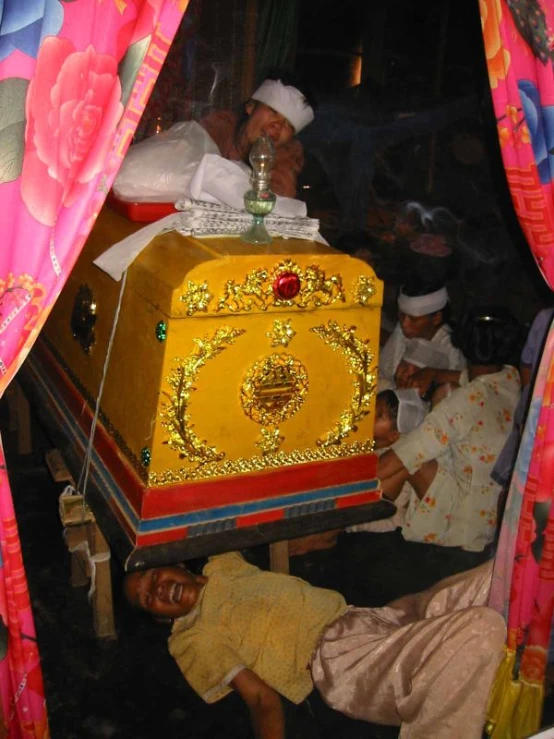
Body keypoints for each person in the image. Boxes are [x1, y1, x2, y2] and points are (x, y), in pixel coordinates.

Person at [124, 551, 505, 739]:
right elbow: (260, 700)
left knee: (506, 566)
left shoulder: (221, 565)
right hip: (339, 664)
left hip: (373, 620)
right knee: (480, 629)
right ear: (160, 617)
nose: (157, 588)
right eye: (147, 598)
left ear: (175, 565)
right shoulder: (192, 637)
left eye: (154, 574)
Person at [378, 305, 521, 557]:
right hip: (496, 514)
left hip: (464, 525)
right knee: (443, 395)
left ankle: (367, 520)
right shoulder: (511, 379)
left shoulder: (465, 401)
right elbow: (465, 376)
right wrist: (434, 373)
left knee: (403, 453)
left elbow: (399, 457)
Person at [199, 71, 316, 198]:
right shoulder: (217, 128)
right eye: (273, 111)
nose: (278, 125)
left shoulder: (286, 157)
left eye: (289, 125)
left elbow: (278, 199)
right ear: (251, 107)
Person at [377, 278, 466, 392]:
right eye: (401, 315)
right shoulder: (404, 328)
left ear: (436, 318)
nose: (404, 324)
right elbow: (384, 372)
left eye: (414, 319)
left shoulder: (452, 348)